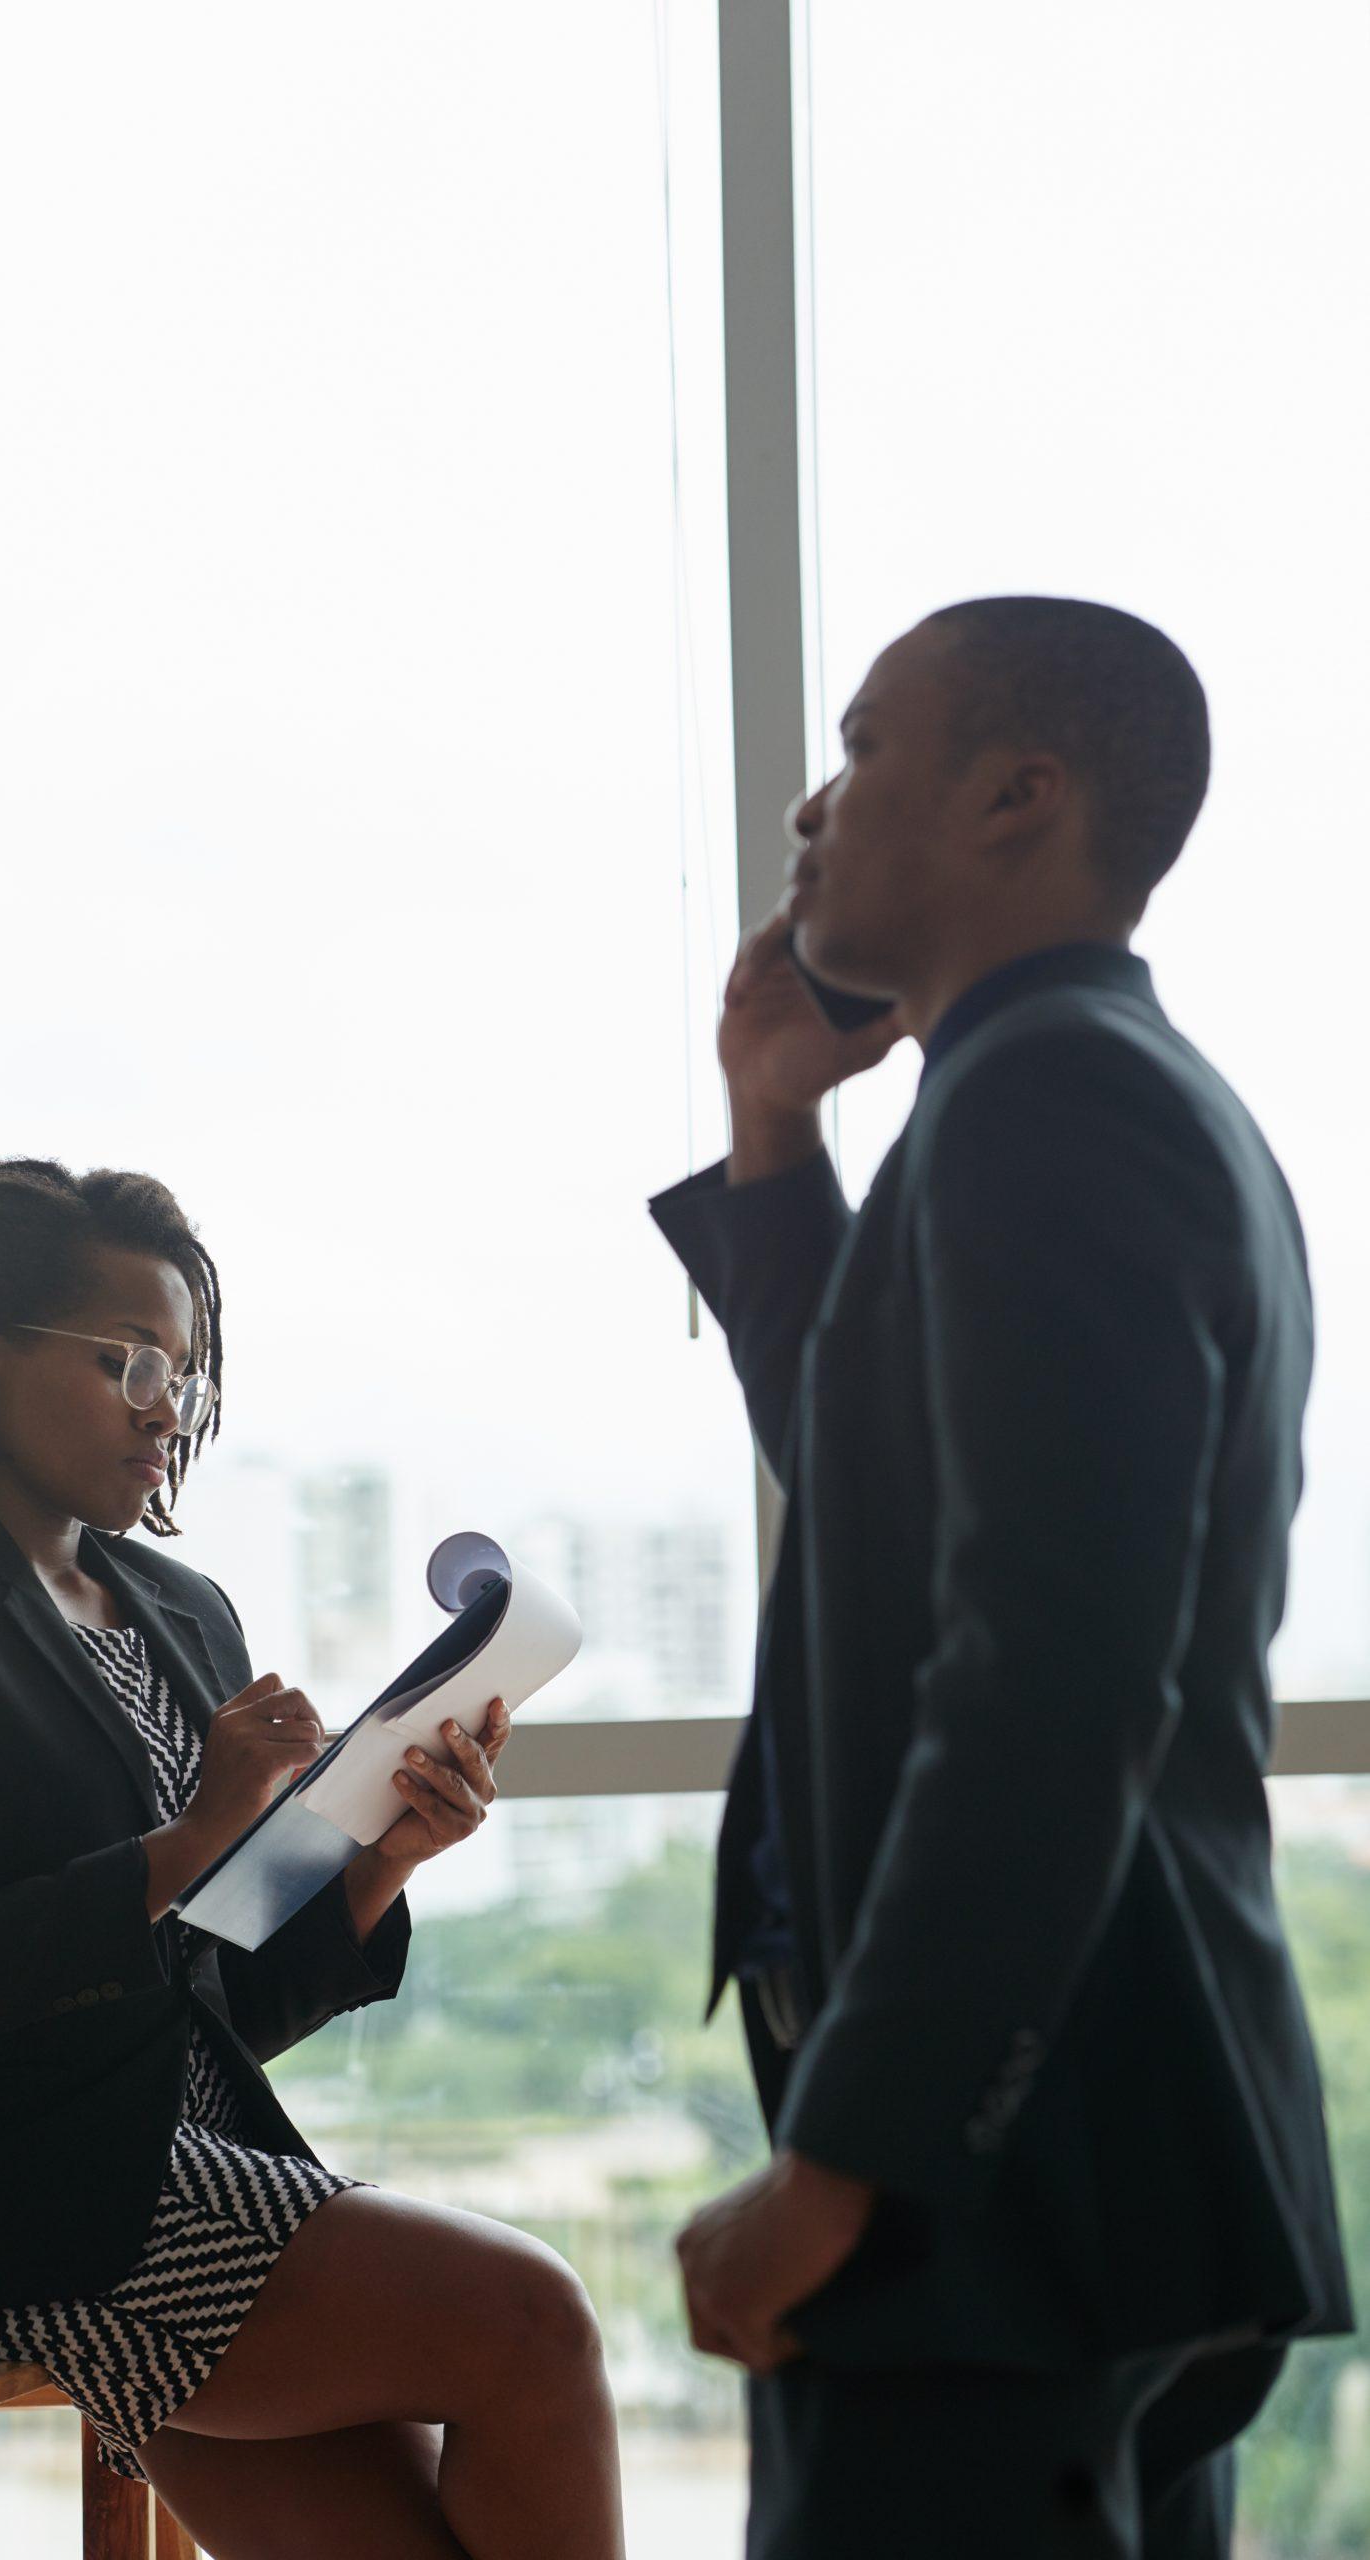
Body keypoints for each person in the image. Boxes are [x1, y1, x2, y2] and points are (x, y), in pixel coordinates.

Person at [650, 597, 1352, 2559]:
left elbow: (1050, 1673)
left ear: (1018, 793)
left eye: (866, 745)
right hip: (1078, 2161)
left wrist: (850, 2152)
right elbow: (893, 1490)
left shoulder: (1059, 1107)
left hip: (1010, 2180)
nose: (812, 803)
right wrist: (774, 1130)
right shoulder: (1058, 1097)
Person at [0, 1159, 624, 2560]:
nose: (169, 1408)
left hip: (176, 2172)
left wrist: (375, 1865)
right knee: (532, 2321)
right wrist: (199, 1829)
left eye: (189, 1373)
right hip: (4, 2204)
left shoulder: (180, 1608)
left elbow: (214, 2006)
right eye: (132, 1362)